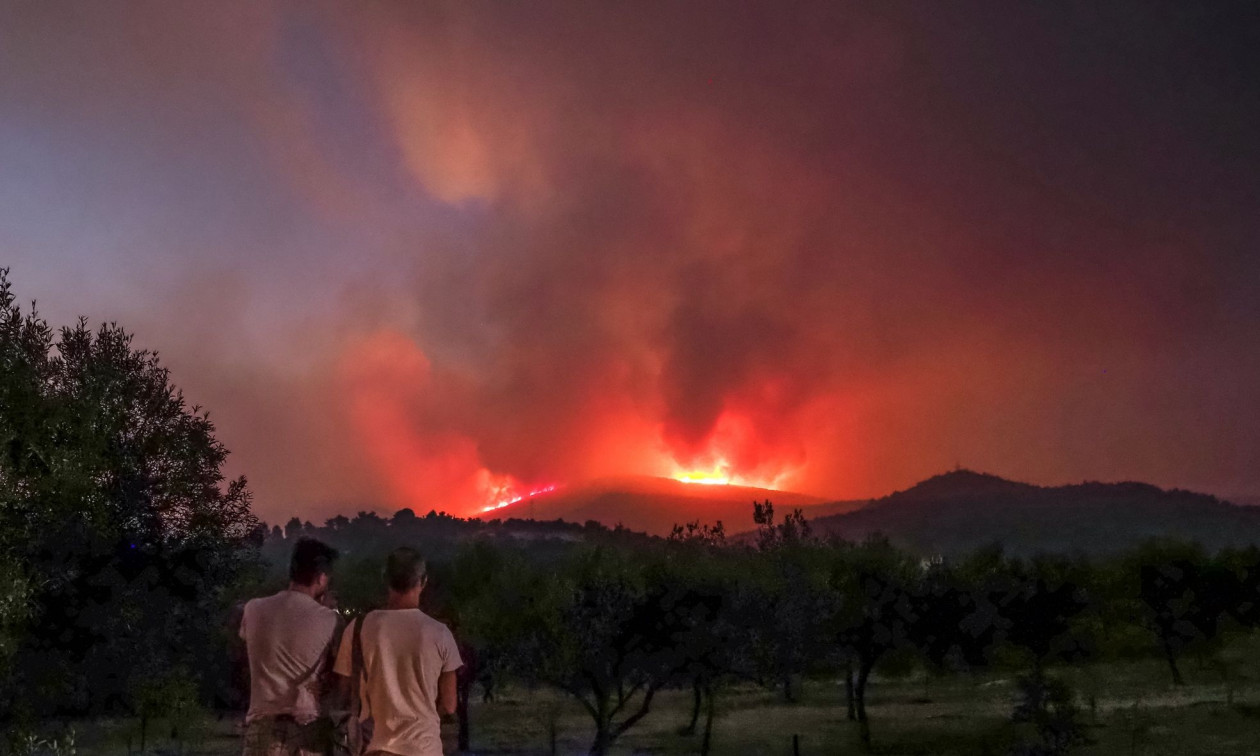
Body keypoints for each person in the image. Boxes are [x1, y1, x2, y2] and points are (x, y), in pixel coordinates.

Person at [335, 547, 462, 756]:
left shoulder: (359, 628)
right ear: (423, 581)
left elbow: (344, 688)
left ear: (386, 579)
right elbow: (449, 705)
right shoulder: (440, 633)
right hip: (424, 748)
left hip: (374, 746)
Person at [240, 537, 342, 756]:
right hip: (307, 731)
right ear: (322, 578)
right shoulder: (329, 619)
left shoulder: (253, 609)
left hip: (262, 728)